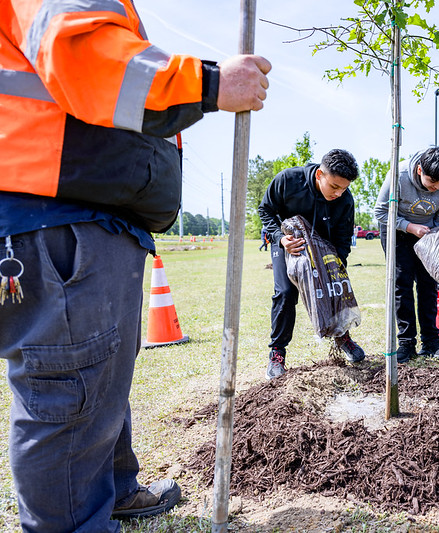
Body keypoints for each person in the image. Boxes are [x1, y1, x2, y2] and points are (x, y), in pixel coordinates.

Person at [0, 1, 271, 531]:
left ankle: (116, 491)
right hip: (56, 224)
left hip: (74, 221)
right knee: (69, 400)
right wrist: (210, 84)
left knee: (97, 381)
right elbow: (91, 59)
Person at [258, 149, 366, 380]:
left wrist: (337, 268)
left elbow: (343, 237)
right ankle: (277, 353)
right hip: (290, 243)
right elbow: (265, 209)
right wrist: (280, 238)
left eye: (344, 188)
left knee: (333, 288)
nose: (339, 193)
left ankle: (342, 337)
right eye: (334, 186)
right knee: (285, 293)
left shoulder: (344, 200)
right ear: (319, 174)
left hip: (323, 246)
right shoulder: (288, 180)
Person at [374, 146, 439, 363]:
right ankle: (406, 342)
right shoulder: (398, 176)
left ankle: (430, 342)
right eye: (432, 182)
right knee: (402, 284)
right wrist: (410, 227)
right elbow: (380, 212)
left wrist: (432, 238)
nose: (437, 188)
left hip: (428, 235)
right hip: (397, 231)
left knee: (429, 285)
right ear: (419, 170)